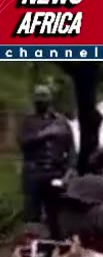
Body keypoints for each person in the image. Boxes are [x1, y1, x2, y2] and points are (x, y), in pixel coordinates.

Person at [19, 85, 75, 227]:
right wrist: (45, 134)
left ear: (50, 101)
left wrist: (70, 169)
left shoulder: (61, 122)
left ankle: (56, 244)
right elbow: (23, 143)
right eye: (38, 101)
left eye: (44, 100)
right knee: (32, 215)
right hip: (34, 173)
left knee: (56, 213)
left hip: (55, 172)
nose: (41, 104)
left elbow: (71, 149)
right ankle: (32, 244)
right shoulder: (28, 122)